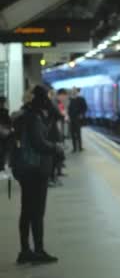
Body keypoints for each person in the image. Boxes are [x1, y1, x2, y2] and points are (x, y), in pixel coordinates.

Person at [11, 85, 63, 264]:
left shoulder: (25, 115)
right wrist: (55, 147)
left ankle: (25, 250)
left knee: (26, 211)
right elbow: (38, 143)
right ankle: (38, 251)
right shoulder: (34, 118)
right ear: (42, 99)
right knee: (36, 213)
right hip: (35, 170)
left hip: (26, 170)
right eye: (47, 97)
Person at [67, 87, 87, 152]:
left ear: (77, 92)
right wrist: (68, 116)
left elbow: (85, 108)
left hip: (78, 118)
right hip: (71, 118)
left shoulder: (81, 99)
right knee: (72, 133)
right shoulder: (70, 100)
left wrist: (81, 114)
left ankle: (80, 147)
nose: (74, 92)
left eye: (75, 91)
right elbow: (68, 109)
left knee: (78, 133)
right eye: (73, 91)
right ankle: (74, 148)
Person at [0, 96, 11, 172]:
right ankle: (2, 166)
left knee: (3, 151)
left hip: (4, 135)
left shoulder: (5, 112)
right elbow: (9, 123)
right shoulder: (5, 112)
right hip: (4, 135)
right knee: (3, 151)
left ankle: (2, 166)